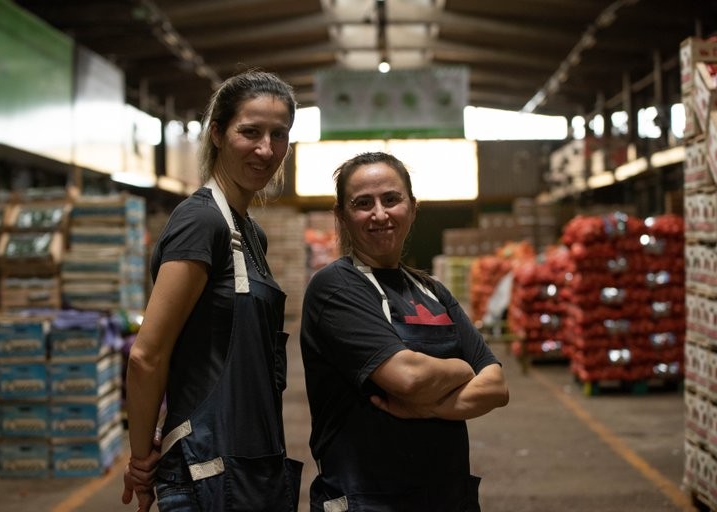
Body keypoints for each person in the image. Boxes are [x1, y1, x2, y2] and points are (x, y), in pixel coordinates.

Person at [121, 69, 303, 512]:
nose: (266, 149)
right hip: (207, 473)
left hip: (249, 466)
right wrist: (142, 458)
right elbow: (147, 356)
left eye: (278, 135)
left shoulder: (250, 235)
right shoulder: (201, 222)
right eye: (250, 132)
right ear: (218, 133)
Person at [300, 151, 510, 511]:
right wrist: (462, 369)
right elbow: (408, 378)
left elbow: (496, 387)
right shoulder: (336, 287)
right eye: (363, 203)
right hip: (367, 500)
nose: (380, 214)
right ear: (342, 216)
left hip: (447, 498)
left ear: (412, 208)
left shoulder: (432, 291)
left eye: (391, 199)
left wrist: (426, 408)